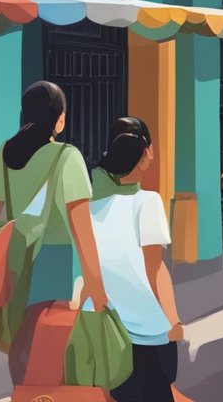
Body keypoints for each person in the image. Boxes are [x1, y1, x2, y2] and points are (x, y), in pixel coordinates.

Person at [0, 82, 108, 337]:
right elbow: (83, 234)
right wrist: (98, 291)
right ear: (59, 120)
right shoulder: (67, 157)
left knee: (23, 349)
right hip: (57, 267)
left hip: (16, 262)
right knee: (52, 351)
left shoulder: (4, 154)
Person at [85, 119, 187, 402]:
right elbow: (155, 268)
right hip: (146, 328)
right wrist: (173, 321)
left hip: (104, 324)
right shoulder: (148, 202)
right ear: (145, 153)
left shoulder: (90, 206)